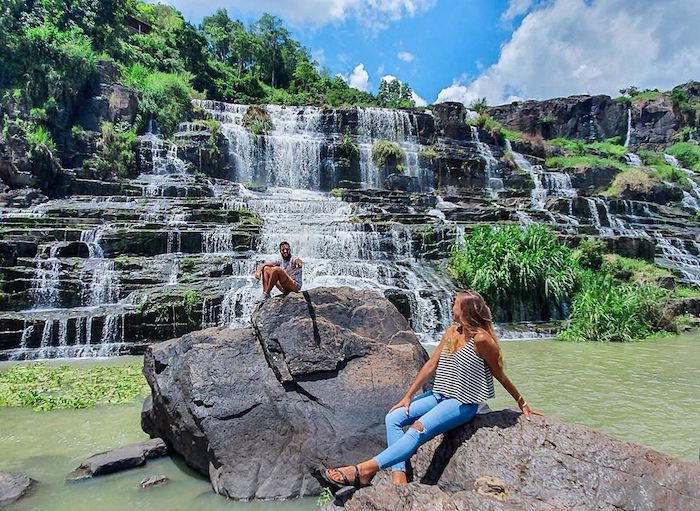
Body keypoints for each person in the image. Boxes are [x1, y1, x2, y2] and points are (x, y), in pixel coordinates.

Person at [315, 289, 541, 491]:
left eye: (455, 303)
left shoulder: (482, 340)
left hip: (462, 403)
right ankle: (399, 476)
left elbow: (499, 373)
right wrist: (408, 396)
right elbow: (431, 364)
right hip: (439, 394)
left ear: (465, 309)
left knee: (417, 429)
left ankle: (365, 469)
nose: (452, 304)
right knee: (393, 416)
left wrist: (522, 402)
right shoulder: (453, 331)